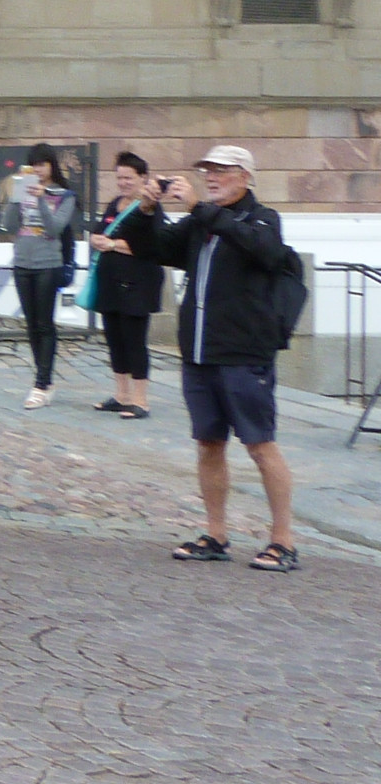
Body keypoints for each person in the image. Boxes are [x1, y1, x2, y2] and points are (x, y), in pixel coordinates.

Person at [115, 146, 303, 573]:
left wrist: (200, 208)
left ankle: (283, 540)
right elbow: (152, 249)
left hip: (243, 354)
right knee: (208, 444)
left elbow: (265, 251)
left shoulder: (261, 218)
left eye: (221, 171)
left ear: (246, 176)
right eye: (207, 171)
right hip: (200, 354)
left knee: (259, 445)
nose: (211, 177)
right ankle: (216, 533)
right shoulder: (200, 224)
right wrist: (146, 210)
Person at [88, 150, 166, 420]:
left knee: (135, 342)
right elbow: (100, 231)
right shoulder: (114, 204)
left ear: (143, 178)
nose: (123, 183)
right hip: (110, 283)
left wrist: (112, 245)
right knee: (114, 340)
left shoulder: (150, 208)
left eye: (129, 178)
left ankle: (140, 400)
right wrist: (96, 240)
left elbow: (153, 246)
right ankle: (121, 395)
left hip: (137, 284)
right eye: (119, 177)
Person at [0, 142, 78, 408]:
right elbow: (8, 226)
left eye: (43, 165)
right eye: (35, 165)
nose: (38, 170)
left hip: (48, 264)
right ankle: (43, 378)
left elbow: (55, 228)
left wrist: (43, 199)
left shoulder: (64, 195)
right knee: (32, 324)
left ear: (51, 166)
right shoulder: (24, 191)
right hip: (23, 262)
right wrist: (16, 196)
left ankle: (41, 383)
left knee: (45, 323)